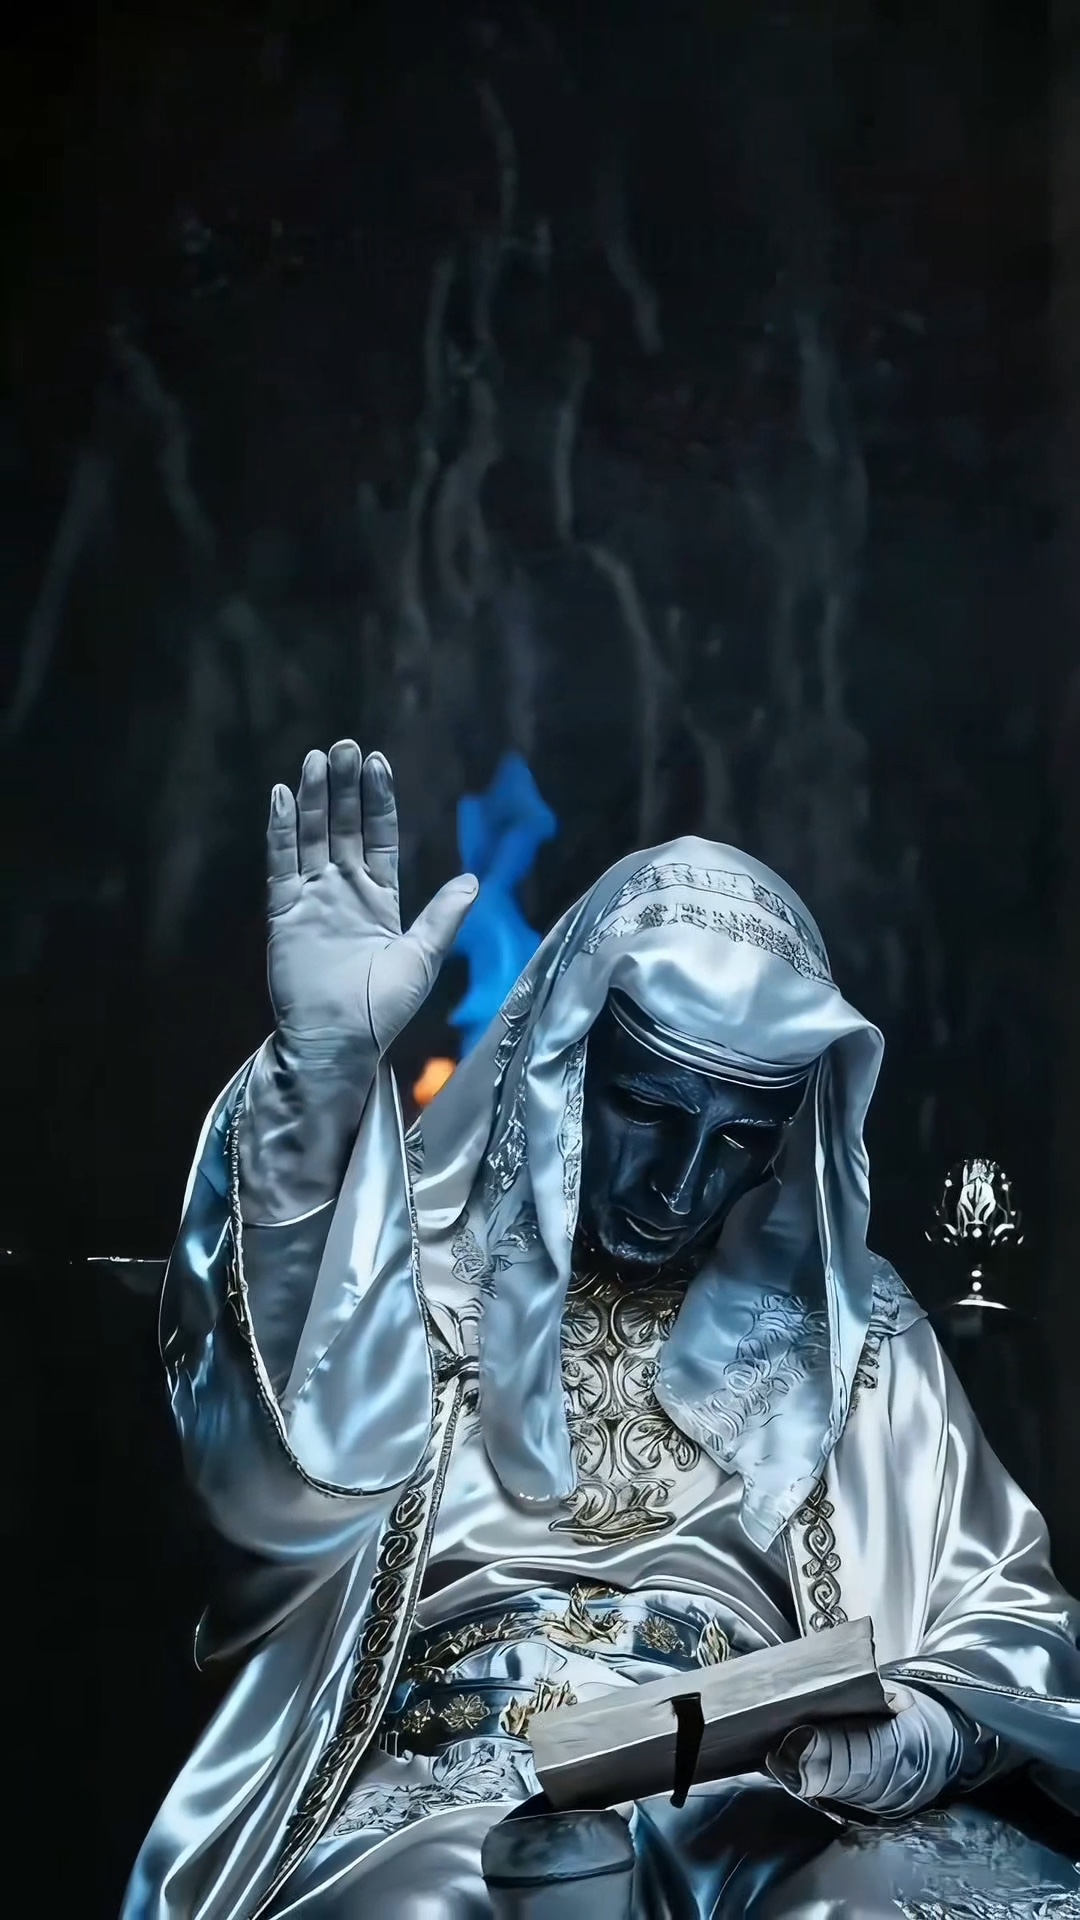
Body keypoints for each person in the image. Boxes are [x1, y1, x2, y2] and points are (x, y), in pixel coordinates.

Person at [124, 742, 1080, 1919]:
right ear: (565, 1065)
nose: (681, 1185)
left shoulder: (852, 1330)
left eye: (739, 1140)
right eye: (646, 1109)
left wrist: (928, 1725)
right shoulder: (410, 1263)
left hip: (762, 1807)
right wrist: (319, 1076)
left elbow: (1010, 1612)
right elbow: (260, 1487)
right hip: (455, 1797)